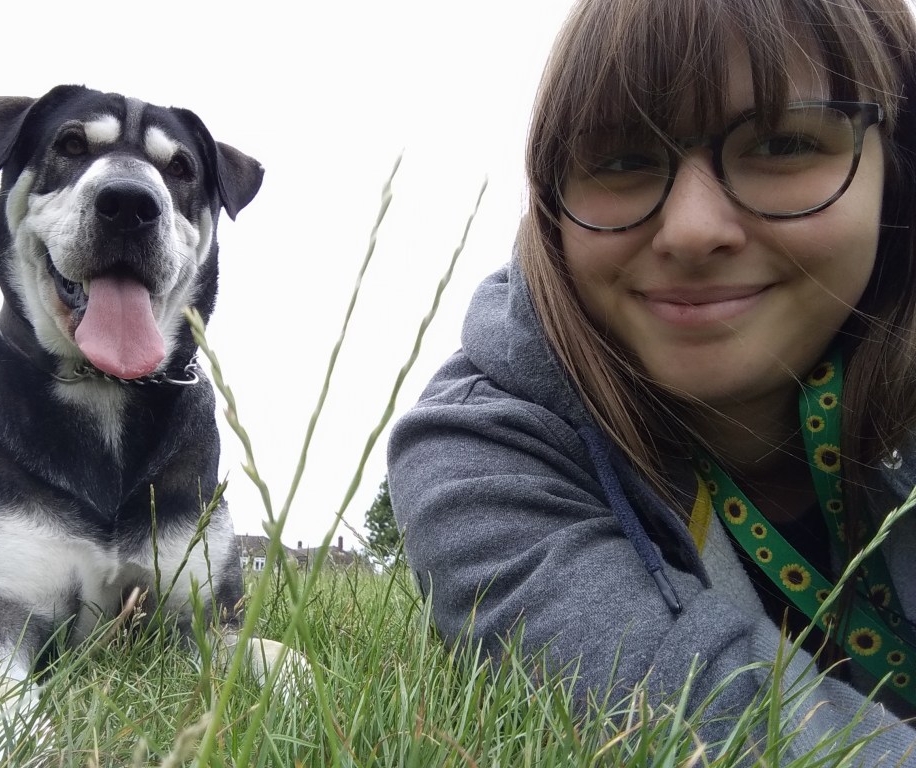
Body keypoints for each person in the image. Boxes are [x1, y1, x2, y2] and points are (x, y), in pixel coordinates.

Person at [388, 0, 916, 759]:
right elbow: (692, 712)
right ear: (551, 203)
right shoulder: (478, 451)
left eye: (783, 141)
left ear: (896, 170)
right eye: (622, 159)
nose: (694, 229)